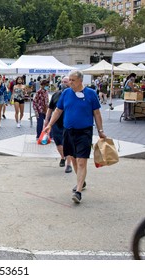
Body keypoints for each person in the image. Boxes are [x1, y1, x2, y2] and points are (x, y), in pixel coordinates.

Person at [43, 70, 106, 204]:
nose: (70, 82)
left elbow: (97, 113)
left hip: (84, 132)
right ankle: (81, 182)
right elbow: (58, 110)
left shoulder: (91, 94)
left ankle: (78, 191)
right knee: (73, 159)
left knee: (82, 161)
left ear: (80, 81)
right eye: (69, 80)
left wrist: (100, 130)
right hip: (68, 131)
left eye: (73, 80)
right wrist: (49, 125)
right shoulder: (66, 93)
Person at [44, 77, 72, 173]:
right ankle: (63, 157)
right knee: (58, 143)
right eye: (63, 82)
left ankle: (69, 164)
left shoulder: (73, 95)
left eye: (66, 82)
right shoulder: (56, 95)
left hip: (68, 123)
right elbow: (50, 108)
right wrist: (47, 120)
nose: (64, 84)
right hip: (56, 122)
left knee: (67, 143)